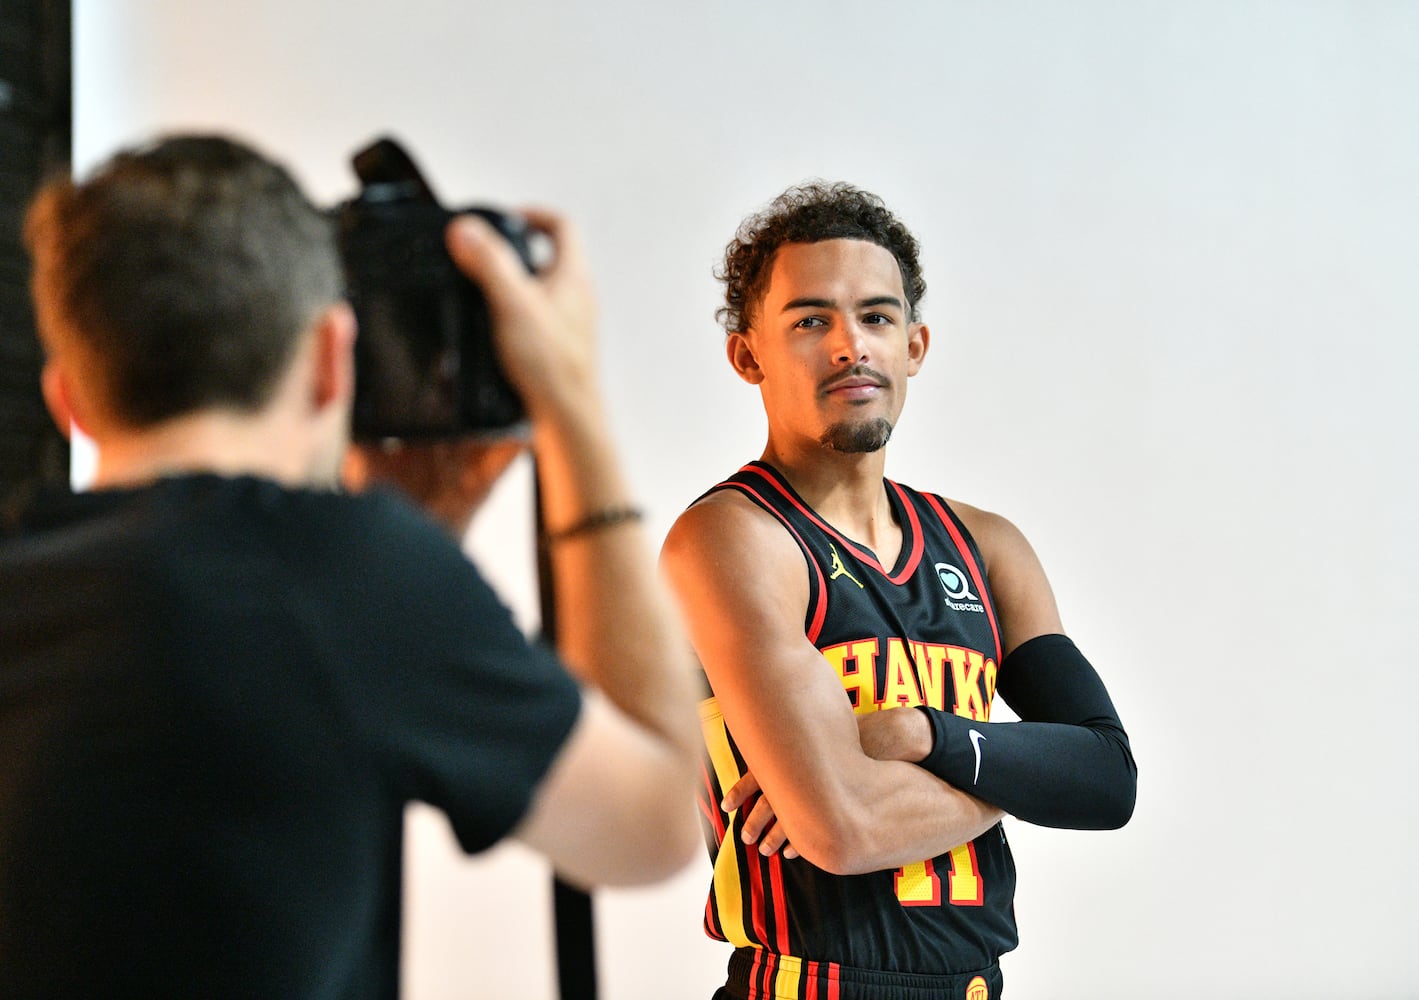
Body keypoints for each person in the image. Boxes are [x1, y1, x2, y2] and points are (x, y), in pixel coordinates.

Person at [0, 134, 700, 997]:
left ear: (65, 396)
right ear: (334, 359)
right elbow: (656, 822)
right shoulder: (351, 578)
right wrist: (572, 401)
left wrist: (414, 537)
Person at [661, 182, 1137, 1000]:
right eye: (811, 321)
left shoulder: (986, 547)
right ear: (748, 356)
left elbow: (1106, 778)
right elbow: (843, 827)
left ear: (914, 345)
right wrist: (1016, 772)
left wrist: (918, 732)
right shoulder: (735, 538)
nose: (851, 346)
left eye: (876, 318)